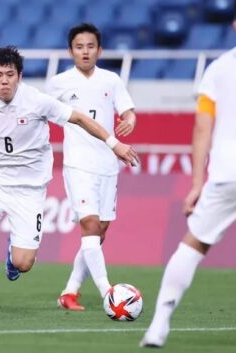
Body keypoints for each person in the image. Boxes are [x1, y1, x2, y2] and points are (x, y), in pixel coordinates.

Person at [0, 46, 139, 315]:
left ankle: (13, 254)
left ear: (20, 75)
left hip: (29, 191)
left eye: (10, 74)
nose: (4, 81)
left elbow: (79, 118)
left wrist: (114, 144)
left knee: (23, 263)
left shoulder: (37, 101)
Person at [140, 10, 236, 348]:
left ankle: (158, 325)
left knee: (193, 245)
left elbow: (202, 129)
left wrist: (197, 184)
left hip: (227, 174)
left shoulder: (218, 70)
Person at [45, 23, 137, 311]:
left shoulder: (111, 80)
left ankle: (69, 292)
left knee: (100, 231)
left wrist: (130, 119)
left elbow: (128, 111)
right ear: (70, 50)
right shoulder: (59, 83)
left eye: (90, 46)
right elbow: (41, 112)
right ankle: (109, 293)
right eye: (79, 47)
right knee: (90, 226)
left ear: (100, 50)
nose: (85, 52)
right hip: (78, 164)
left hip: (108, 165)